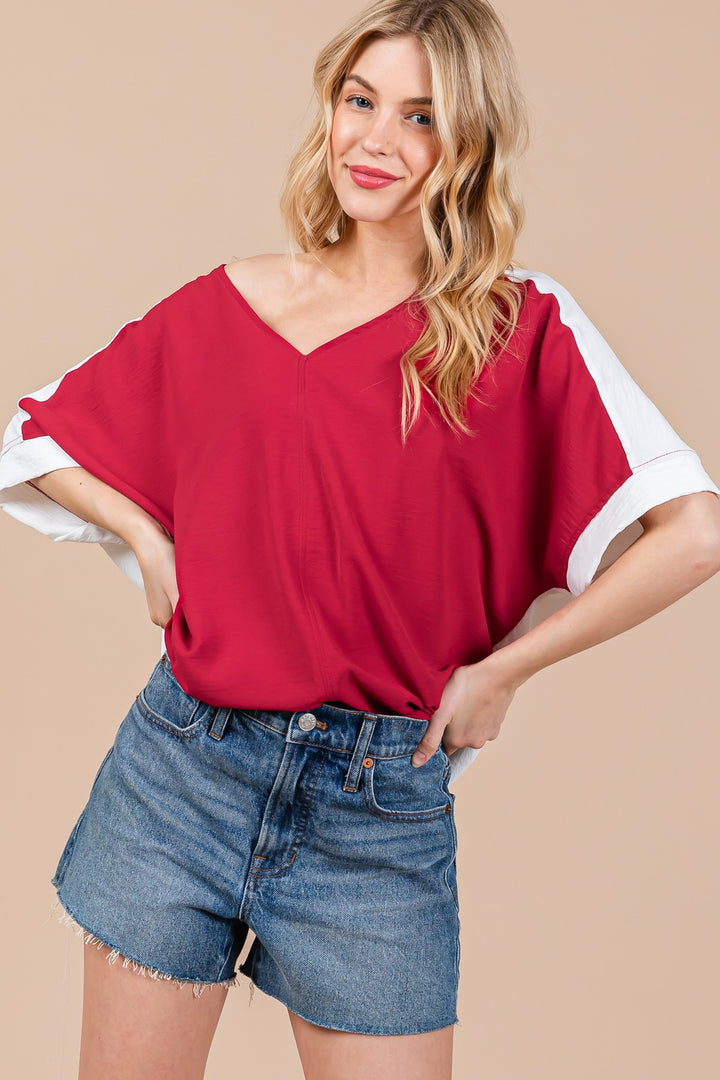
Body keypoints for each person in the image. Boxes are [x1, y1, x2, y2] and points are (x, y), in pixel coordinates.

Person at [1, 1, 719, 1077]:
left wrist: (506, 671)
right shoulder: (229, 304)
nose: (377, 140)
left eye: (421, 116)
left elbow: (693, 532)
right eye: (360, 100)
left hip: (375, 813)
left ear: (468, 144)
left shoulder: (523, 329)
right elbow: (33, 437)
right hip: (179, 777)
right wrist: (149, 540)